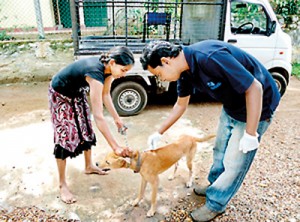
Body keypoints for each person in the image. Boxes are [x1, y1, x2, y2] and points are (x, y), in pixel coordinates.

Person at [140, 40, 280, 221]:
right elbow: (180, 105)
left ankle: (216, 203)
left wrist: (251, 134)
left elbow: (255, 88)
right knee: (219, 150)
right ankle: (214, 185)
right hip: (232, 106)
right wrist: (159, 132)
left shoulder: (209, 58)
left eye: (159, 74)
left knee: (235, 162)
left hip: (257, 106)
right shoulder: (184, 71)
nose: (162, 79)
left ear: (166, 61)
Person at [48, 46, 134, 204]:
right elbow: (99, 117)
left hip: (76, 92)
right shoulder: (95, 74)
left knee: (86, 128)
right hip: (60, 93)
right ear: (113, 62)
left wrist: (117, 119)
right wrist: (115, 147)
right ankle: (62, 185)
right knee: (64, 137)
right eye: (123, 70)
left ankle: (89, 166)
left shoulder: (108, 70)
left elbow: (106, 94)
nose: (124, 74)